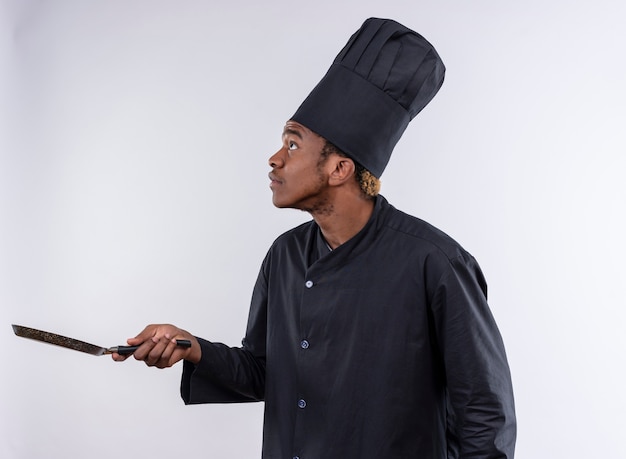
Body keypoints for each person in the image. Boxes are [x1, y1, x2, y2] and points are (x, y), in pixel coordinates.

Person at [113, 17, 517, 458]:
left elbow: (484, 414)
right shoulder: (285, 256)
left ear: (339, 168)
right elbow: (265, 372)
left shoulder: (435, 262)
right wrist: (191, 348)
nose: (274, 159)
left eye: (292, 144)